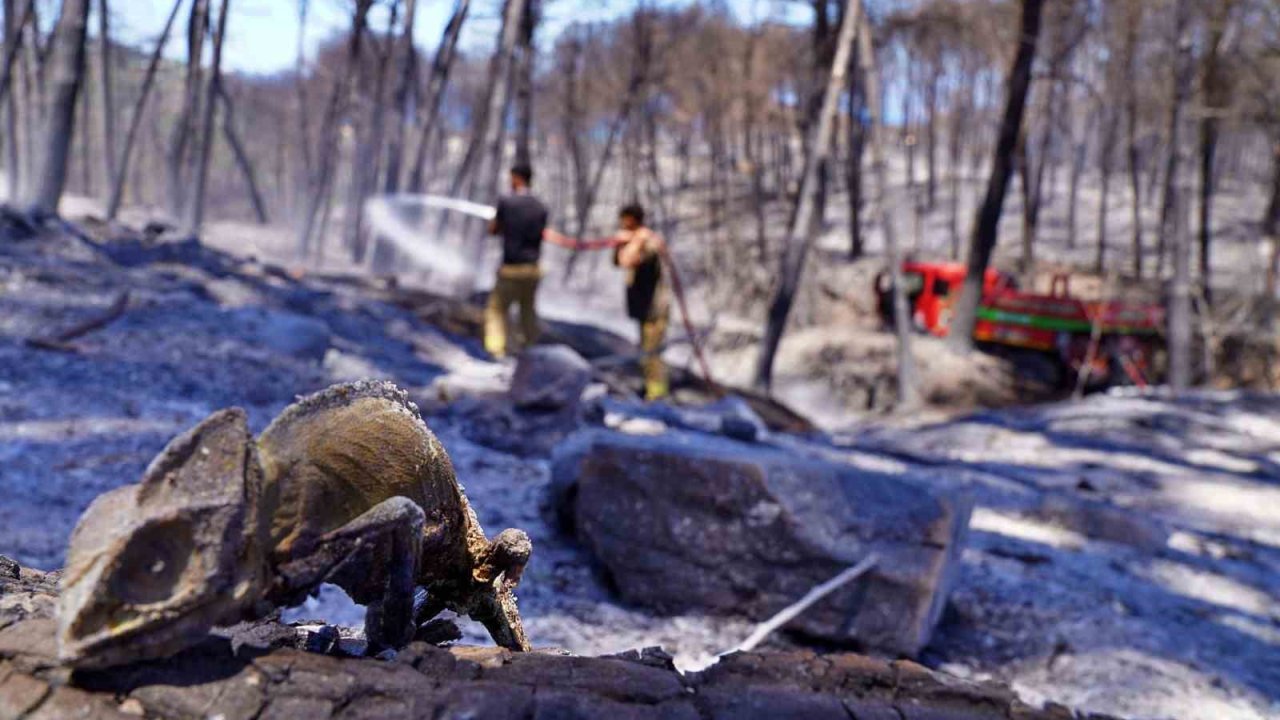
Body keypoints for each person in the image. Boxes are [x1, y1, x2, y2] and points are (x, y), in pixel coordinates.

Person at [485, 164, 552, 359]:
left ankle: (496, 351)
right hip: (533, 269)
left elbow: (494, 230)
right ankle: (531, 350)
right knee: (528, 311)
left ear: (516, 178)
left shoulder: (507, 201)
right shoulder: (540, 206)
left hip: (511, 268)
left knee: (496, 311)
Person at [614, 204, 670, 401]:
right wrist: (621, 243)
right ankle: (650, 388)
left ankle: (657, 394)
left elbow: (634, 260)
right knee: (645, 351)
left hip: (655, 308)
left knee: (652, 353)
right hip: (643, 308)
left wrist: (633, 242)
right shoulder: (631, 241)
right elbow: (617, 261)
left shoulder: (649, 241)